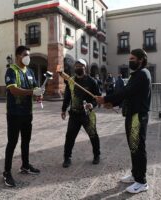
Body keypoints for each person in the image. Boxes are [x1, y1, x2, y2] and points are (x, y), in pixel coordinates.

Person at [96, 49, 151, 194]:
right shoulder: (136, 75)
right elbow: (128, 93)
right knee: (133, 146)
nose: (130, 61)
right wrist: (112, 104)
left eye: (133, 58)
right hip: (131, 115)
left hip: (138, 117)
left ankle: (141, 181)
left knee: (138, 147)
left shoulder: (142, 74)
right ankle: (135, 174)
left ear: (141, 60)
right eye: (130, 58)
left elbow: (126, 92)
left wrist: (106, 99)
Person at [3, 45, 44, 187]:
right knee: (12, 143)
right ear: (18, 56)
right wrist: (32, 93)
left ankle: (25, 166)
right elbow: (13, 90)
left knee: (26, 141)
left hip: (28, 113)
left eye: (29, 55)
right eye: (26, 54)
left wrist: (39, 95)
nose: (28, 57)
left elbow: (35, 88)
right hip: (14, 114)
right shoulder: (11, 70)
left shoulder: (31, 71)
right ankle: (7, 172)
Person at [61, 58, 101, 168]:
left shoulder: (92, 81)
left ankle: (97, 155)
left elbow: (98, 97)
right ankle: (67, 158)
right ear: (74, 68)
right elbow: (67, 97)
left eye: (81, 66)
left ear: (85, 67)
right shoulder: (71, 81)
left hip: (87, 114)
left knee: (93, 135)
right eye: (76, 66)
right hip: (74, 114)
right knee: (69, 137)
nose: (78, 68)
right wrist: (63, 109)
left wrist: (92, 104)